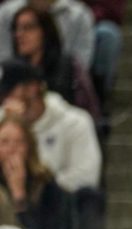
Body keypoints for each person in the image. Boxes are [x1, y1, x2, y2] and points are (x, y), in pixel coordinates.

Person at [0, 59, 101, 192]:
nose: (4, 100)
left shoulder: (75, 123)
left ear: (32, 88)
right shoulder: (3, 122)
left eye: (8, 92)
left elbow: (86, 177)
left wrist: (36, 191)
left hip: (62, 208)